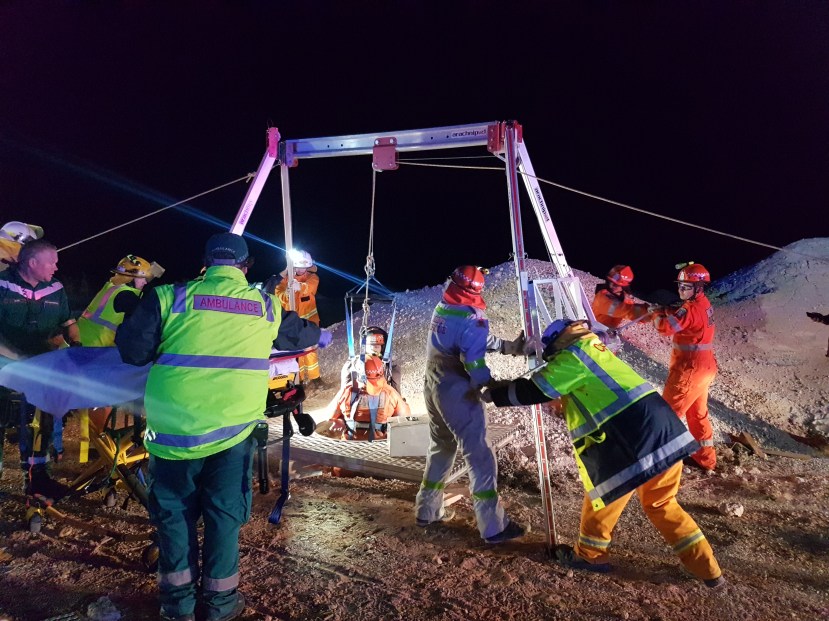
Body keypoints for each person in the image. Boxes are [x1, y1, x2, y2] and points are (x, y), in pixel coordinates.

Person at [116, 232, 332, 621]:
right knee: (222, 516)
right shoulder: (264, 307)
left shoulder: (170, 297)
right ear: (245, 267)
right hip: (231, 434)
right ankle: (218, 606)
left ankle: (176, 607)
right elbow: (303, 333)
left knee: (175, 517)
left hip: (172, 434)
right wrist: (325, 335)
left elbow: (131, 352)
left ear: (205, 263)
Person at [483, 318, 724, 587]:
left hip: (630, 442)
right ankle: (707, 569)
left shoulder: (574, 356)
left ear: (558, 345)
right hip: (664, 432)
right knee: (662, 504)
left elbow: (536, 389)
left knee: (604, 494)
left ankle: (590, 556)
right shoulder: (594, 349)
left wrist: (498, 393)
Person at [414, 265, 527, 543]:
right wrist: (489, 383)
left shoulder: (444, 307)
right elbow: (473, 360)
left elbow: (466, 337)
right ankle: (492, 526)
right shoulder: (473, 316)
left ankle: (426, 509)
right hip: (456, 388)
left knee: (441, 446)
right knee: (480, 456)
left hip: (432, 383)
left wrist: (505, 346)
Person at [0, 239, 80, 494]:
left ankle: (38, 479)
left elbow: (68, 323)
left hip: (42, 367)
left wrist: (77, 344)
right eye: (51, 262)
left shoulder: (55, 288)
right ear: (32, 263)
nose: (56, 267)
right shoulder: (2, 285)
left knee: (40, 423)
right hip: (5, 367)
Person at [651, 262, 718, 471]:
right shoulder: (704, 304)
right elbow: (690, 320)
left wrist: (656, 313)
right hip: (704, 367)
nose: (681, 290)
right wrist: (672, 309)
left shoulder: (689, 309)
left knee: (666, 415)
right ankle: (706, 460)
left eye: (686, 287)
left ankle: (658, 464)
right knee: (697, 414)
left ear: (698, 287)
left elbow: (665, 328)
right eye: (680, 286)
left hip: (689, 370)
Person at [78, 254, 165, 347]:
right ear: (130, 277)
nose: (145, 282)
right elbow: (149, 316)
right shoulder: (125, 296)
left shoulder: (112, 287)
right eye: (143, 278)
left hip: (78, 345)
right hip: (90, 349)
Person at [268, 249, 321, 383]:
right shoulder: (285, 280)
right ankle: (300, 379)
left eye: (304, 267)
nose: (301, 270)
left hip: (309, 322)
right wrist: (287, 293)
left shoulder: (312, 278)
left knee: (310, 350)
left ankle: (315, 378)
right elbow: (278, 293)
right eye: (298, 267)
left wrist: (300, 287)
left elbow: (310, 287)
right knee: (296, 350)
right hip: (292, 323)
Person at [329, 356, 410, 441]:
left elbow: (329, 419)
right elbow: (405, 420)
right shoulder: (390, 393)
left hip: (349, 444)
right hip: (379, 445)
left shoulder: (346, 391)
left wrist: (342, 421)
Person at [591, 264, 650, 330]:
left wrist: (650, 313)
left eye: (617, 284)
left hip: (608, 331)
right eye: (611, 282)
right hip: (594, 329)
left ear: (624, 286)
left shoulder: (625, 298)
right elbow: (621, 309)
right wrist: (647, 312)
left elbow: (633, 311)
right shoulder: (602, 295)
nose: (613, 285)